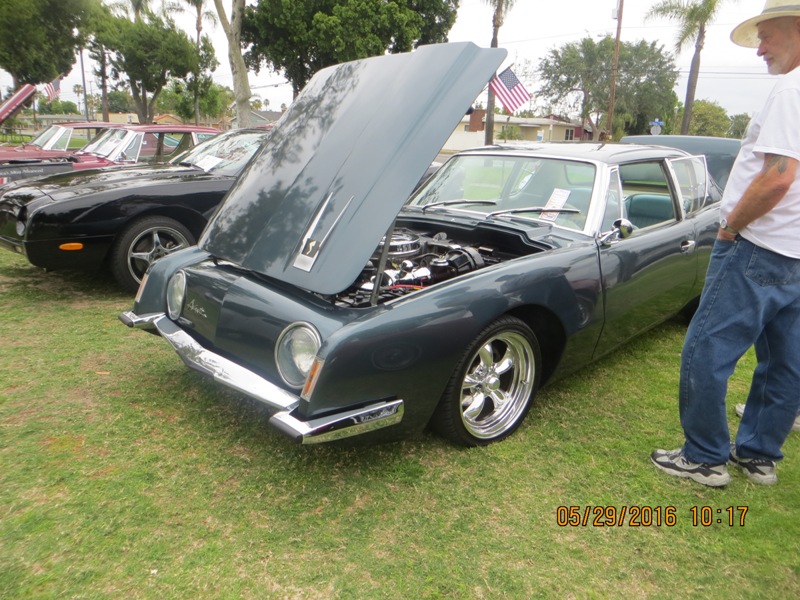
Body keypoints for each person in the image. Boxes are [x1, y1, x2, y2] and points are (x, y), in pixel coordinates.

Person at [651, 1, 800, 487]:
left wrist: (732, 225)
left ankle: (704, 457)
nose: (760, 49)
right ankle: (759, 455)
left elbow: (778, 176)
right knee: (786, 362)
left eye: (767, 35)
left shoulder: (791, 89)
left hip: (757, 245)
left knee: (707, 348)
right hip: (796, 253)